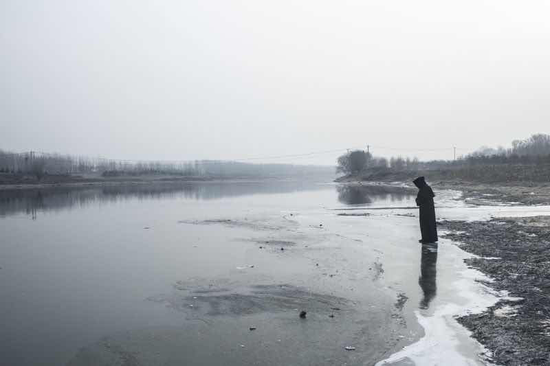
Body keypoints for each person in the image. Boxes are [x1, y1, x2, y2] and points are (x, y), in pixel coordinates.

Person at [413, 176, 438, 244]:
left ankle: (427, 239)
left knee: (426, 224)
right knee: (428, 224)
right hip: (427, 209)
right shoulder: (426, 188)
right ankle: (428, 238)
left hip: (426, 210)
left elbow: (420, 200)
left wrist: (417, 200)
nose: (417, 186)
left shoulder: (424, 189)